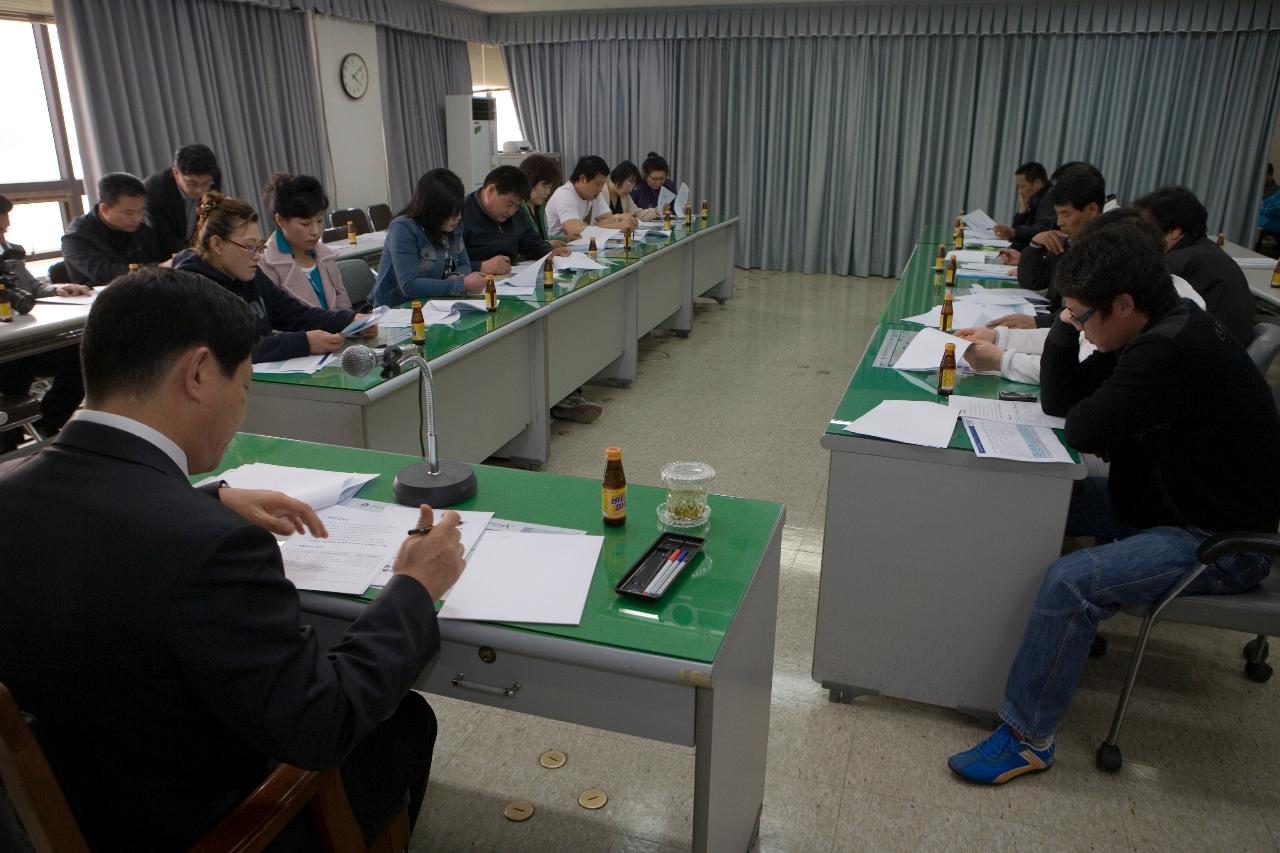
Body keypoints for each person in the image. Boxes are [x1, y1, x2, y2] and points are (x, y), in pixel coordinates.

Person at [0, 267, 466, 847]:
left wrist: (210, 495)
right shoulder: (209, 548)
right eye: (244, 386)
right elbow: (323, 722)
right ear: (198, 373)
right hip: (200, 823)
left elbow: (97, 532)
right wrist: (414, 586)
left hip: (71, 802)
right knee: (406, 721)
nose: (241, 409)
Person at [947, 217, 1280, 785]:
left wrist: (1065, 332)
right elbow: (1063, 398)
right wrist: (1064, 324)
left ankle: (1028, 739)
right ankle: (981, 637)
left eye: (1081, 315)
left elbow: (1083, 426)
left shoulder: (1171, 348)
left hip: (1217, 541)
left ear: (1122, 304)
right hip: (1162, 502)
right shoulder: (1157, 324)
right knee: (1033, 497)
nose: (1077, 326)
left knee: (1071, 581)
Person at [959, 210, 1206, 382]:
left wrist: (1002, 361)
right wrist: (1000, 337)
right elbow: (1078, 339)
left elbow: (1076, 370)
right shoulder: (1145, 293)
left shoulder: (1152, 319)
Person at [174, 193, 374, 362]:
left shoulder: (250, 274)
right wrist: (303, 343)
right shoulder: (192, 288)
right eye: (250, 246)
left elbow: (295, 314)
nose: (258, 255)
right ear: (217, 245)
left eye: (260, 246)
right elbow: (225, 350)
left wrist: (350, 320)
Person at [0, 194, 92, 452]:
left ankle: (48, 423)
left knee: (82, 354)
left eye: (5, 230)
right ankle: (11, 444)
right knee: (11, 373)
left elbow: (32, 288)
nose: (3, 238)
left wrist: (61, 289)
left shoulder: (9, 254)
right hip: (7, 352)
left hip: (26, 340)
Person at [1132, 185, 1255, 344]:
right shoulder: (1207, 251)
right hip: (1229, 349)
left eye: (1146, 227)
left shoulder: (1178, 264)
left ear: (1175, 231)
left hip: (1207, 356)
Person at [988, 164, 1104, 329]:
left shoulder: (1102, 249)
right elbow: (1032, 281)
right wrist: (1035, 245)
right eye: (1057, 214)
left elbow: (1084, 313)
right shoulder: (1067, 239)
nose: (1059, 222)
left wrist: (1038, 322)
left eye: (1066, 214)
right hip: (1054, 323)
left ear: (1092, 210)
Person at [373, 169, 484, 306]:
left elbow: (464, 264)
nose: (458, 218)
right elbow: (409, 285)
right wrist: (461, 284)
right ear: (432, 208)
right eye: (450, 212)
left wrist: (458, 277)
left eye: (458, 210)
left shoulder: (454, 224)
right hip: (397, 310)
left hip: (437, 304)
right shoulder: (403, 228)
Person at [259, 173, 351, 310]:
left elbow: (344, 307)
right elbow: (275, 326)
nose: (315, 231)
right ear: (280, 221)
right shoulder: (265, 265)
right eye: (305, 224)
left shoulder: (325, 256)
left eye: (319, 221)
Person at [461, 165, 569, 279]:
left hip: (512, 278)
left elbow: (532, 243)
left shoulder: (517, 211)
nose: (511, 212)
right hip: (476, 284)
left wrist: (550, 252)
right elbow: (450, 264)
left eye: (517, 206)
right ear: (491, 191)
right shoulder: (462, 214)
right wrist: (481, 266)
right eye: (509, 204)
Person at [61, 172, 164, 285]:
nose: (137, 218)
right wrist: (159, 268)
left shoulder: (142, 231)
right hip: (99, 299)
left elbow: (155, 260)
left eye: (141, 210)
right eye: (129, 212)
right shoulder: (76, 237)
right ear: (104, 209)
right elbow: (103, 273)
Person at [144, 143, 221, 258]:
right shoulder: (155, 190)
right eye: (192, 183)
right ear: (176, 173)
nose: (200, 190)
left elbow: (210, 213)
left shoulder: (213, 176)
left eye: (205, 183)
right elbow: (165, 240)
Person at [544, 155, 634, 238]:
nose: (600, 190)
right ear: (583, 178)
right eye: (598, 184)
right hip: (559, 250)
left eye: (602, 185)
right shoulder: (564, 195)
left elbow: (609, 219)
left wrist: (587, 229)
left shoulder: (594, 194)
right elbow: (575, 231)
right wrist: (616, 227)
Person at [992, 162, 1054, 249]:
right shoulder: (1034, 198)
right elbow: (1016, 230)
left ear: (1038, 183)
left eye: (1023, 187)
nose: (1020, 192)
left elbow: (1042, 229)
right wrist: (1023, 209)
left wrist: (1014, 232)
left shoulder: (1049, 198)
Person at [519, 154, 567, 247]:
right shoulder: (516, 209)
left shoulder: (540, 207)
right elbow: (519, 246)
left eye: (550, 187)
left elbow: (540, 238)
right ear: (530, 180)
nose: (548, 192)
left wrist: (566, 238)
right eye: (544, 185)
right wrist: (546, 244)